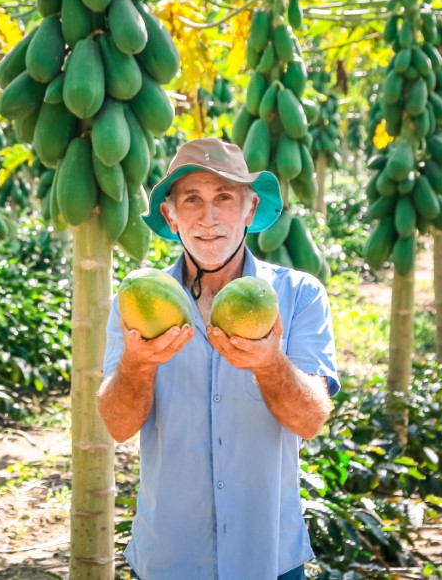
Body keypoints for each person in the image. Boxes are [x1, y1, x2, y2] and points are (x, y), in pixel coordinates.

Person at [98, 137, 339, 579]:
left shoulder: (299, 295)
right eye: (192, 199)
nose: (209, 217)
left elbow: (310, 420)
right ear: (171, 216)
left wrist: (269, 364)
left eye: (224, 198)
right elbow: (117, 425)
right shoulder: (138, 302)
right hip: (169, 560)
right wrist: (137, 362)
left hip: (268, 557)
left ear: (249, 210)